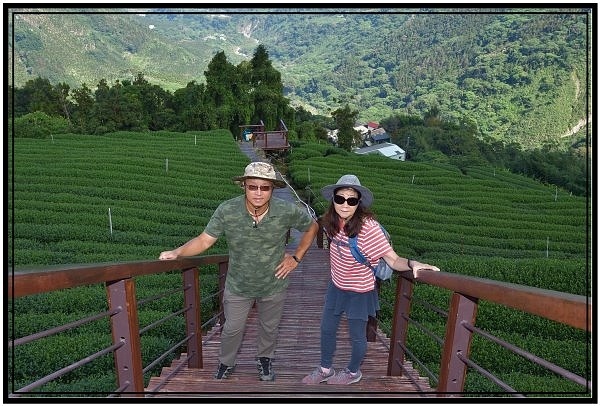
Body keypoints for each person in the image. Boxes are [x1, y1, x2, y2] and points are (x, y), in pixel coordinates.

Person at [159, 161, 319, 382]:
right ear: (243, 186)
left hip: (274, 283)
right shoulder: (227, 210)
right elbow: (205, 240)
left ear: (273, 189)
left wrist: (296, 257)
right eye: (253, 186)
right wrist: (178, 252)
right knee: (232, 329)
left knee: (269, 328)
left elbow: (312, 226)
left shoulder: (286, 210)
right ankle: (226, 362)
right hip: (238, 284)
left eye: (265, 188)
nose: (259, 193)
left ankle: (265, 359)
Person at [301, 174, 440, 385]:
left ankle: (353, 372)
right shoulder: (331, 221)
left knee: (357, 335)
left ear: (359, 203)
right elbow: (317, 227)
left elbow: (393, 260)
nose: (345, 205)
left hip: (360, 291)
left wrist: (413, 264)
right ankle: (325, 369)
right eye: (340, 199)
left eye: (351, 200)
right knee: (327, 328)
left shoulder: (369, 228)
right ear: (333, 200)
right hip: (337, 285)